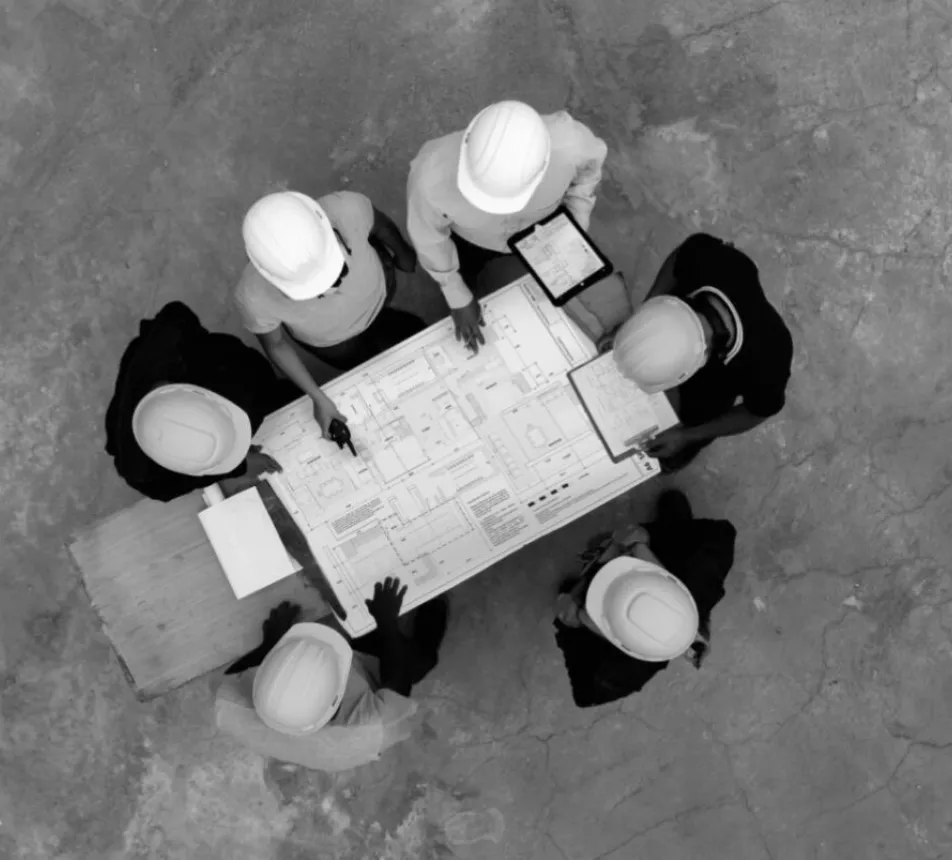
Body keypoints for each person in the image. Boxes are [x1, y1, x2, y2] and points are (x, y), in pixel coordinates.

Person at [407, 100, 608, 352]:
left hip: (546, 224)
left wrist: (575, 222)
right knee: (467, 270)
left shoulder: (571, 144)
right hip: (472, 242)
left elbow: (589, 173)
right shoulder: (431, 175)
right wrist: (456, 294)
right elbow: (428, 237)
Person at [234, 190, 425, 437]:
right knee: (364, 360)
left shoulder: (347, 209)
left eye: (338, 273)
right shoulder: (252, 296)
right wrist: (318, 398)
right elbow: (276, 345)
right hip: (335, 343)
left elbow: (382, 227)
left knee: (402, 327)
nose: (331, 290)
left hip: (380, 292)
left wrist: (404, 253)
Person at [215, 577, 448, 772]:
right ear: (339, 698)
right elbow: (400, 678)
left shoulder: (233, 706)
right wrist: (386, 620)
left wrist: (270, 642)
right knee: (420, 661)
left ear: (262, 678)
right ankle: (438, 599)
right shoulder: (370, 728)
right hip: (360, 718)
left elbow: (233, 672)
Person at [612, 233, 794, 472]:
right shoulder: (709, 260)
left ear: (687, 373)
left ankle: (673, 460)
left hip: (705, 402)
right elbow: (678, 258)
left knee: (668, 454)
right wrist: (644, 313)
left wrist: (687, 436)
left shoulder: (769, 358)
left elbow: (755, 413)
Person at [554, 490, 736, 708]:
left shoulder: (621, 672)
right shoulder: (707, 564)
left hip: (589, 613)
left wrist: (570, 627)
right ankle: (673, 528)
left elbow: (584, 696)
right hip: (663, 558)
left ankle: (581, 597)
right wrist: (648, 537)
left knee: (568, 596)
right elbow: (724, 532)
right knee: (683, 540)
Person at [104, 301, 297, 502]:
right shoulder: (144, 474)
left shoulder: (231, 369)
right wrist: (239, 466)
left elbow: (176, 313)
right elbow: (175, 484)